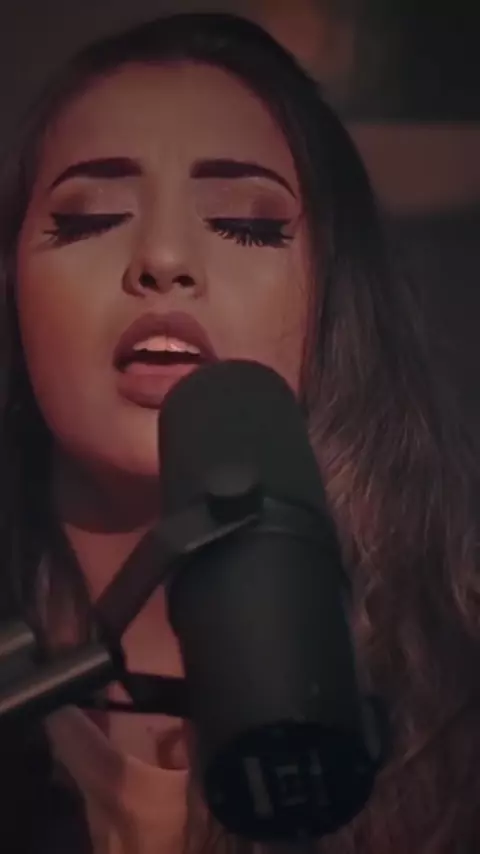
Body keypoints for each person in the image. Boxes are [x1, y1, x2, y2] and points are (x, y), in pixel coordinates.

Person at [0, 11, 479, 854]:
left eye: (247, 225)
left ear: (331, 295)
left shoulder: (459, 704)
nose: (163, 259)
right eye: (89, 219)